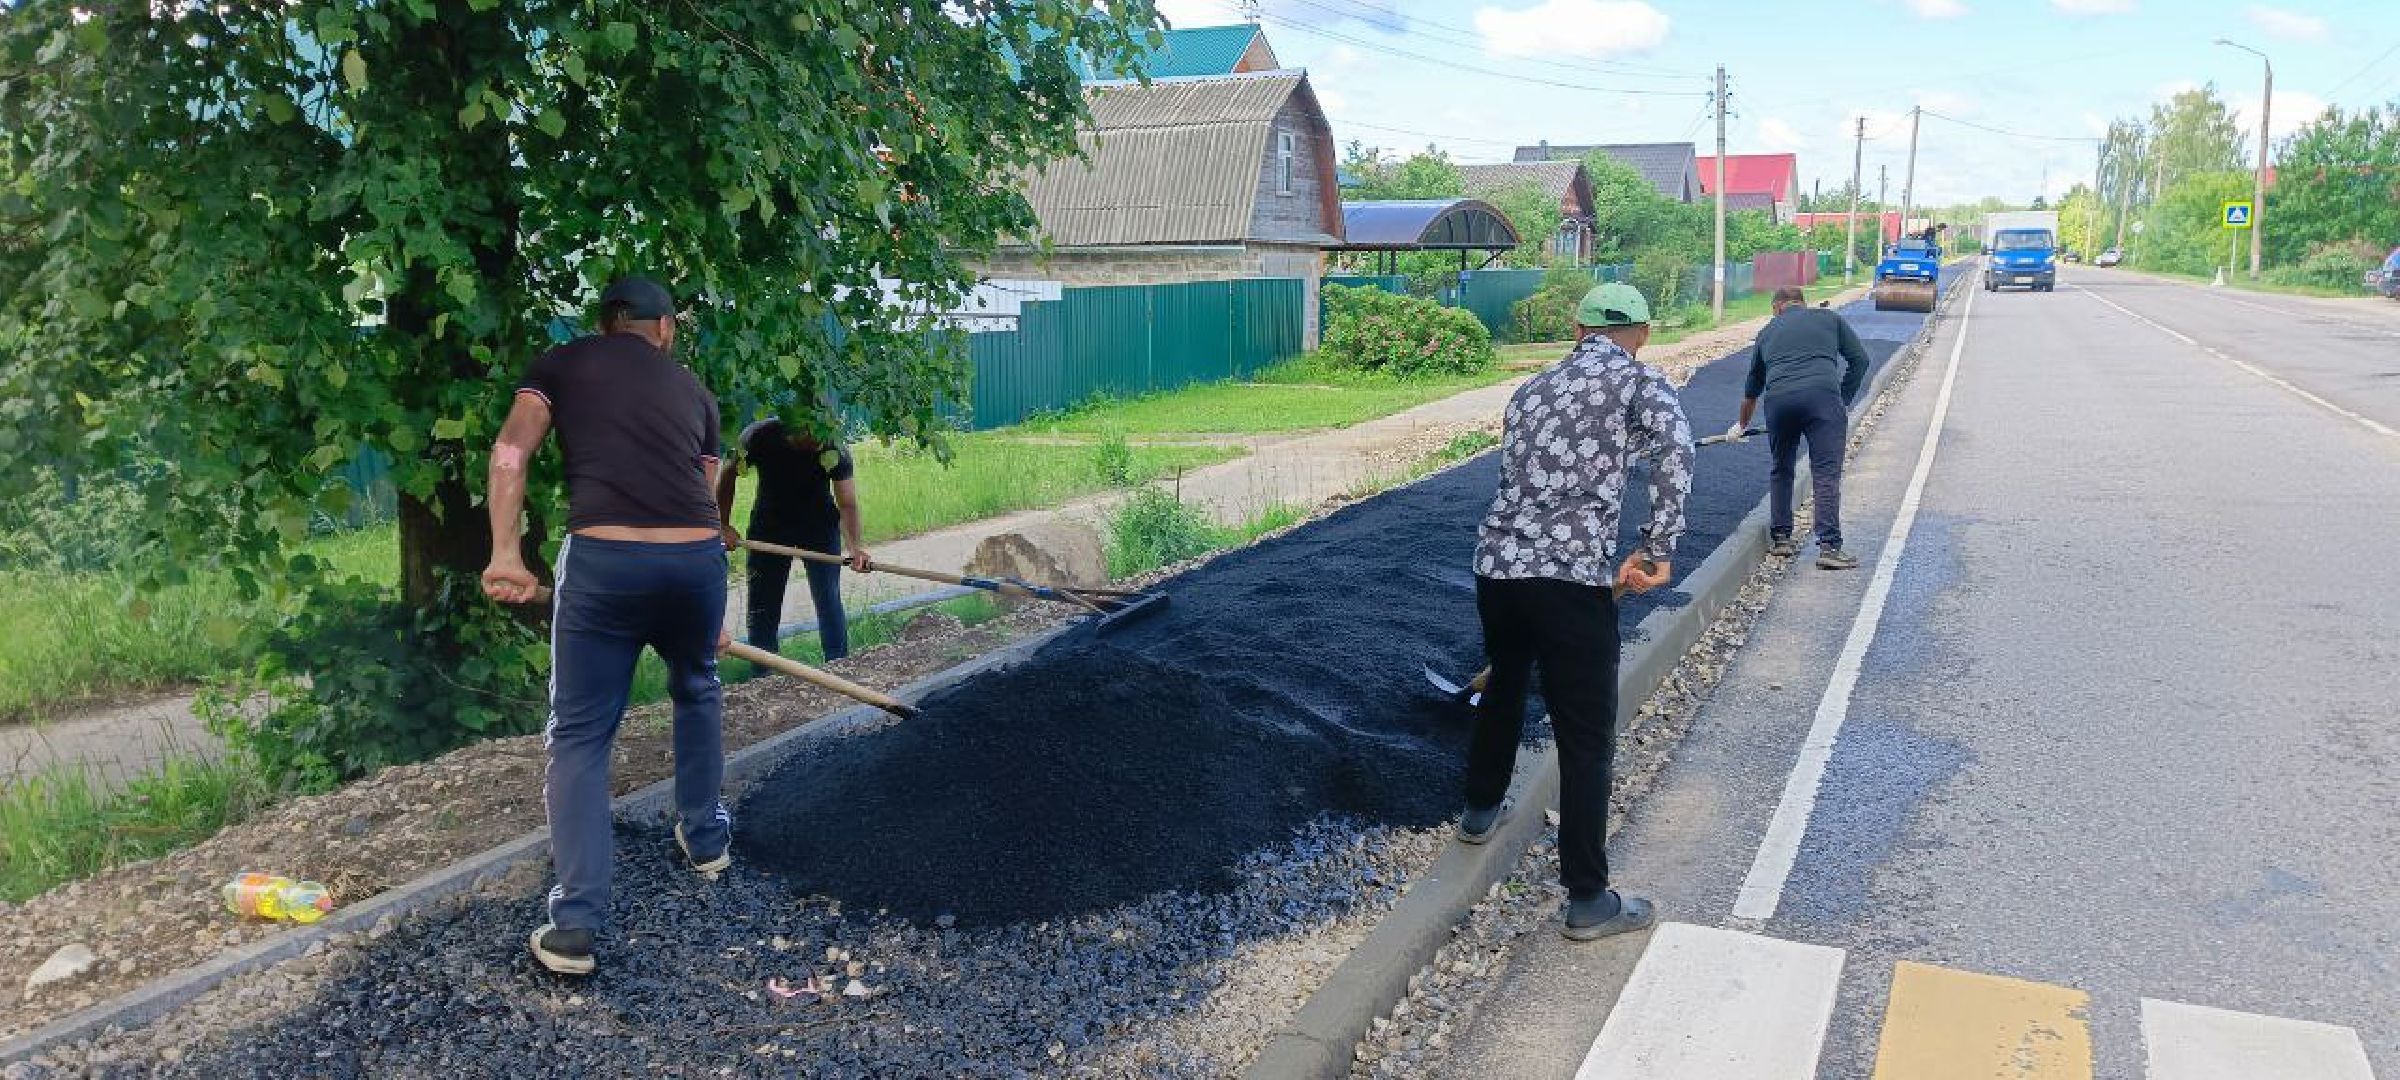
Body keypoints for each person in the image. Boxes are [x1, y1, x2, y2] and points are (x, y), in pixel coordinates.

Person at [481, 276, 735, 977]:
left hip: (605, 562)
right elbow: (706, 506)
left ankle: (575, 927)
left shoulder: (560, 364)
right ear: (660, 329)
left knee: (581, 734)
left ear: (607, 324)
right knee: (697, 686)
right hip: (693, 564)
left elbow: (511, 450)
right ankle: (708, 841)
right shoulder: (696, 394)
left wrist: (506, 553)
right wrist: (711, 613)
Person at [1462, 282, 1692, 942]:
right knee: (1586, 736)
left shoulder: (1531, 389)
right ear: (1642, 333)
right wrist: (1656, 548)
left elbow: (1528, 471)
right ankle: (1588, 898)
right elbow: (1677, 451)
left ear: (1577, 327)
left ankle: (1480, 809)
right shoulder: (1641, 385)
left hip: (1498, 567)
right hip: (1570, 580)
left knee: (1506, 681)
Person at [1730, 286, 1871, 570]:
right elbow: (1861, 359)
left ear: (1777, 307)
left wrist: (1740, 425)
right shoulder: (1828, 319)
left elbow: (1751, 390)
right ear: (1801, 304)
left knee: (1782, 468)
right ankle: (1829, 547)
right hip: (1823, 400)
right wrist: (1841, 399)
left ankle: (1781, 538)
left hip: (1779, 403)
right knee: (1825, 473)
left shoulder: (1767, 332)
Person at [716, 417, 871, 662]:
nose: (819, 442)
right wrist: (723, 525)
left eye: (822, 436)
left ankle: (840, 666)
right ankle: (763, 674)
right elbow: (727, 476)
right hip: (770, 528)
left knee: (828, 599)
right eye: (813, 435)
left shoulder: (833, 446)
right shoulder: (759, 437)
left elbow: (848, 502)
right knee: (763, 607)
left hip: (820, 527)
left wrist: (855, 547)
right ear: (796, 428)